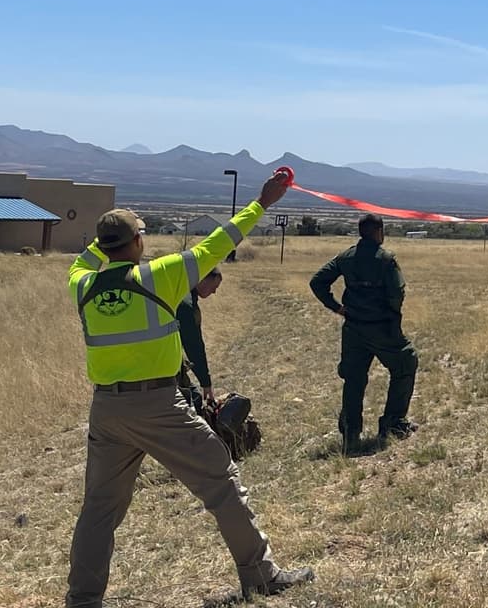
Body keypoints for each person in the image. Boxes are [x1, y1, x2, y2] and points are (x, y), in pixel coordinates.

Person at [65, 171, 314, 607]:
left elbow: (84, 260)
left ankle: (83, 600)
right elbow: (218, 241)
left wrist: (103, 239)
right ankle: (261, 577)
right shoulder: (162, 275)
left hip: (106, 410)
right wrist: (263, 202)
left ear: (103, 246)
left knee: (99, 511)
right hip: (161, 404)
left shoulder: (82, 283)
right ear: (139, 242)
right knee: (222, 484)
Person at [309, 212, 419, 453]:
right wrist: (390, 314)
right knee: (406, 362)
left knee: (354, 379)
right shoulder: (386, 259)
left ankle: (350, 432)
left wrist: (336, 307)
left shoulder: (346, 257)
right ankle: (393, 423)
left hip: (353, 327)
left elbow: (317, 281)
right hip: (382, 327)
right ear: (379, 231)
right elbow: (397, 293)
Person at [177, 266, 223, 410]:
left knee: (193, 397)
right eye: (214, 286)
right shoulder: (186, 305)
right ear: (202, 278)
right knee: (193, 401)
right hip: (159, 366)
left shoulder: (181, 291)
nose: (214, 292)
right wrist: (205, 382)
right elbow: (194, 346)